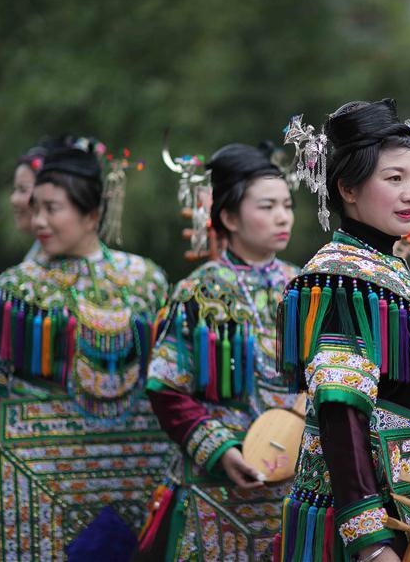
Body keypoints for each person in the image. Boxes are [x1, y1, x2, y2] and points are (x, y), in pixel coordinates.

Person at [277, 99, 410, 562]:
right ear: (347, 188)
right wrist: (369, 541)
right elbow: (340, 409)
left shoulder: (389, 271)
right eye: (394, 179)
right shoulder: (340, 279)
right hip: (378, 515)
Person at [0, 142, 170, 559]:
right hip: (40, 478)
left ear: (91, 214)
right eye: (36, 208)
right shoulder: (11, 289)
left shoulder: (145, 279)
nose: (39, 221)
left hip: (135, 473)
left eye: (53, 208)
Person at [137, 141, 300, 560]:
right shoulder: (196, 291)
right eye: (266, 206)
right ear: (228, 216)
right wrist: (220, 451)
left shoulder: (307, 287)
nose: (282, 216)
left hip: (297, 487)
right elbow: (166, 386)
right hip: (218, 489)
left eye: (286, 204)